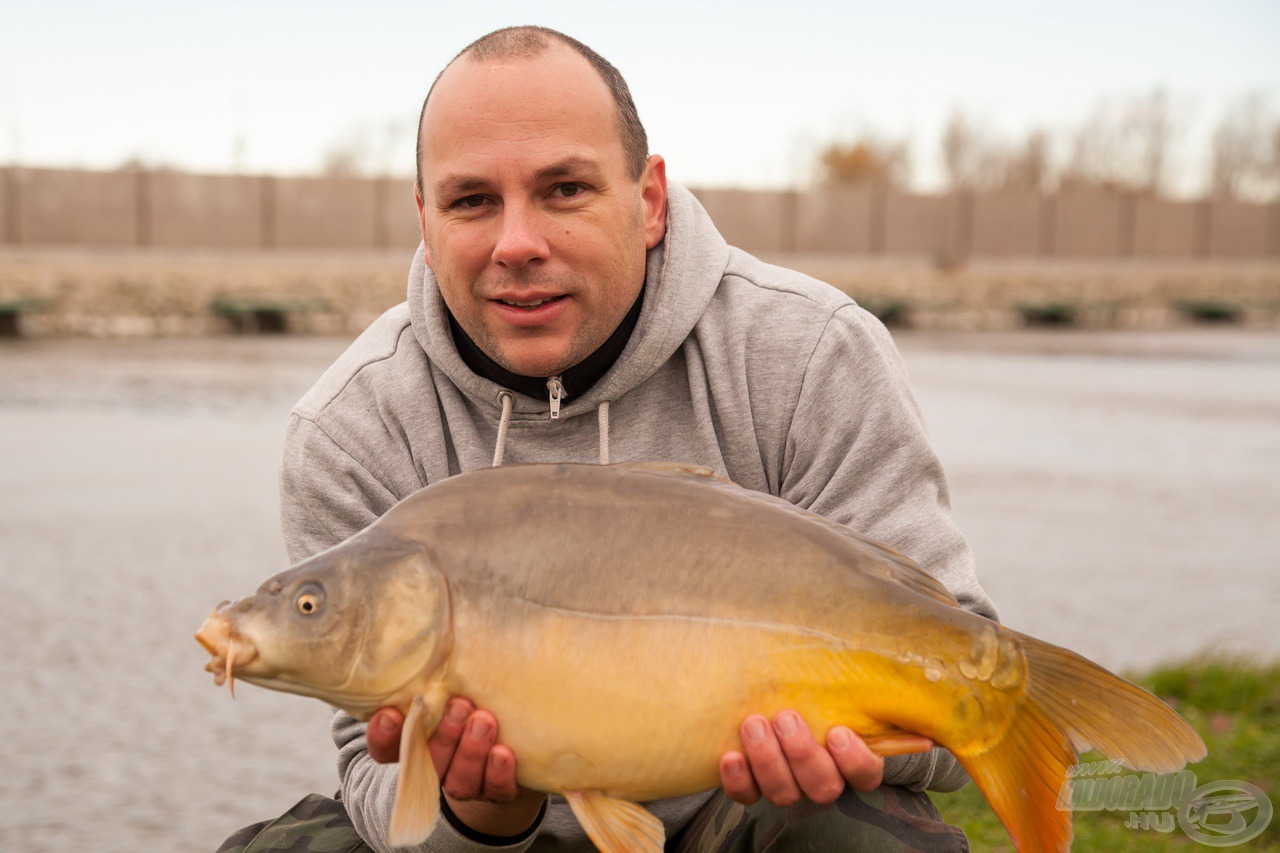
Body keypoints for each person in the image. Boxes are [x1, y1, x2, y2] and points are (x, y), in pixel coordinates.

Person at [220, 24, 996, 853]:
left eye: (564, 190)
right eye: (472, 200)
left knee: (847, 832)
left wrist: (856, 751)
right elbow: (373, 776)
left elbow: (959, 699)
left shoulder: (809, 353)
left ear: (649, 200)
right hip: (489, 845)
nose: (517, 244)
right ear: (425, 219)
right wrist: (480, 809)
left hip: (737, 814)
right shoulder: (348, 426)